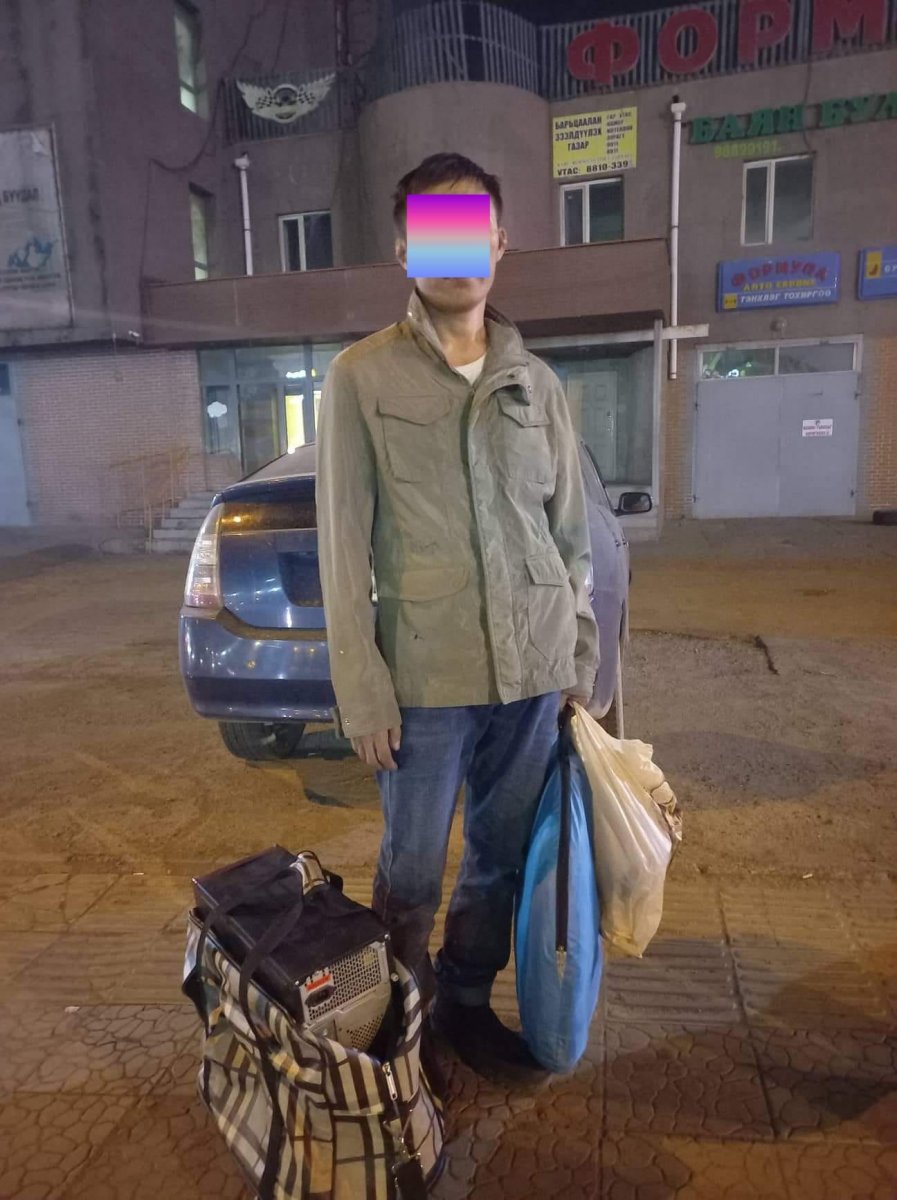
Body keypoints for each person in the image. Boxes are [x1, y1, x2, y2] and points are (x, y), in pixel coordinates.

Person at [316, 152, 598, 1077]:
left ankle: (465, 1005)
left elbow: (570, 538)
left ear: (498, 243)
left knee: (499, 856)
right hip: (424, 677)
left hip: (533, 673)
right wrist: (362, 689)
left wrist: (578, 664)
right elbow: (342, 547)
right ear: (404, 251)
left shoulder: (535, 384)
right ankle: (400, 1029)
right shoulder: (361, 378)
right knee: (409, 869)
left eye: (468, 229)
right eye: (433, 232)